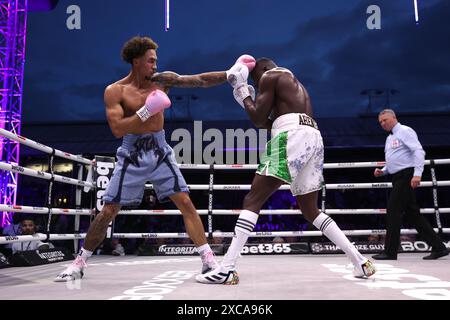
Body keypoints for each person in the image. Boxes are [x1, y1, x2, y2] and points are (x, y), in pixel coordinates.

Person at [55, 36, 254, 281]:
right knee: (108, 209)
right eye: (150, 61)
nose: (155, 66)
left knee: (185, 202)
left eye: (156, 61)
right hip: (132, 153)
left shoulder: (162, 81)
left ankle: (208, 260)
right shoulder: (115, 91)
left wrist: (228, 74)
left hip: (160, 149)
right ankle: (79, 262)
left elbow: (199, 81)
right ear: (136, 61)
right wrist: (148, 109)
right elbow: (117, 129)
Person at [197, 57, 376, 285]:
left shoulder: (271, 75)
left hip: (291, 136)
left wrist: (242, 89)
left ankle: (227, 269)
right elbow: (265, 123)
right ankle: (361, 262)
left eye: (256, 81)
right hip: (312, 138)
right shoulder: (292, 87)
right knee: (310, 210)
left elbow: (257, 117)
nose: (259, 85)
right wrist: (247, 99)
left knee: (253, 198)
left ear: (262, 70)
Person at [372, 109, 449, 260]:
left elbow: (418, 152)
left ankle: (390, 252)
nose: (383, 124)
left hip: (406, 176)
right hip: (397, 176)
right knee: (414, 215)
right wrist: (383, 171)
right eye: (380, 122)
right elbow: (395, 159)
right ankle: (439, 247)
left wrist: (417, 174)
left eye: (385, 120)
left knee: (393, 211)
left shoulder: (405, 131)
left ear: (394, 118)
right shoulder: (390, 138)